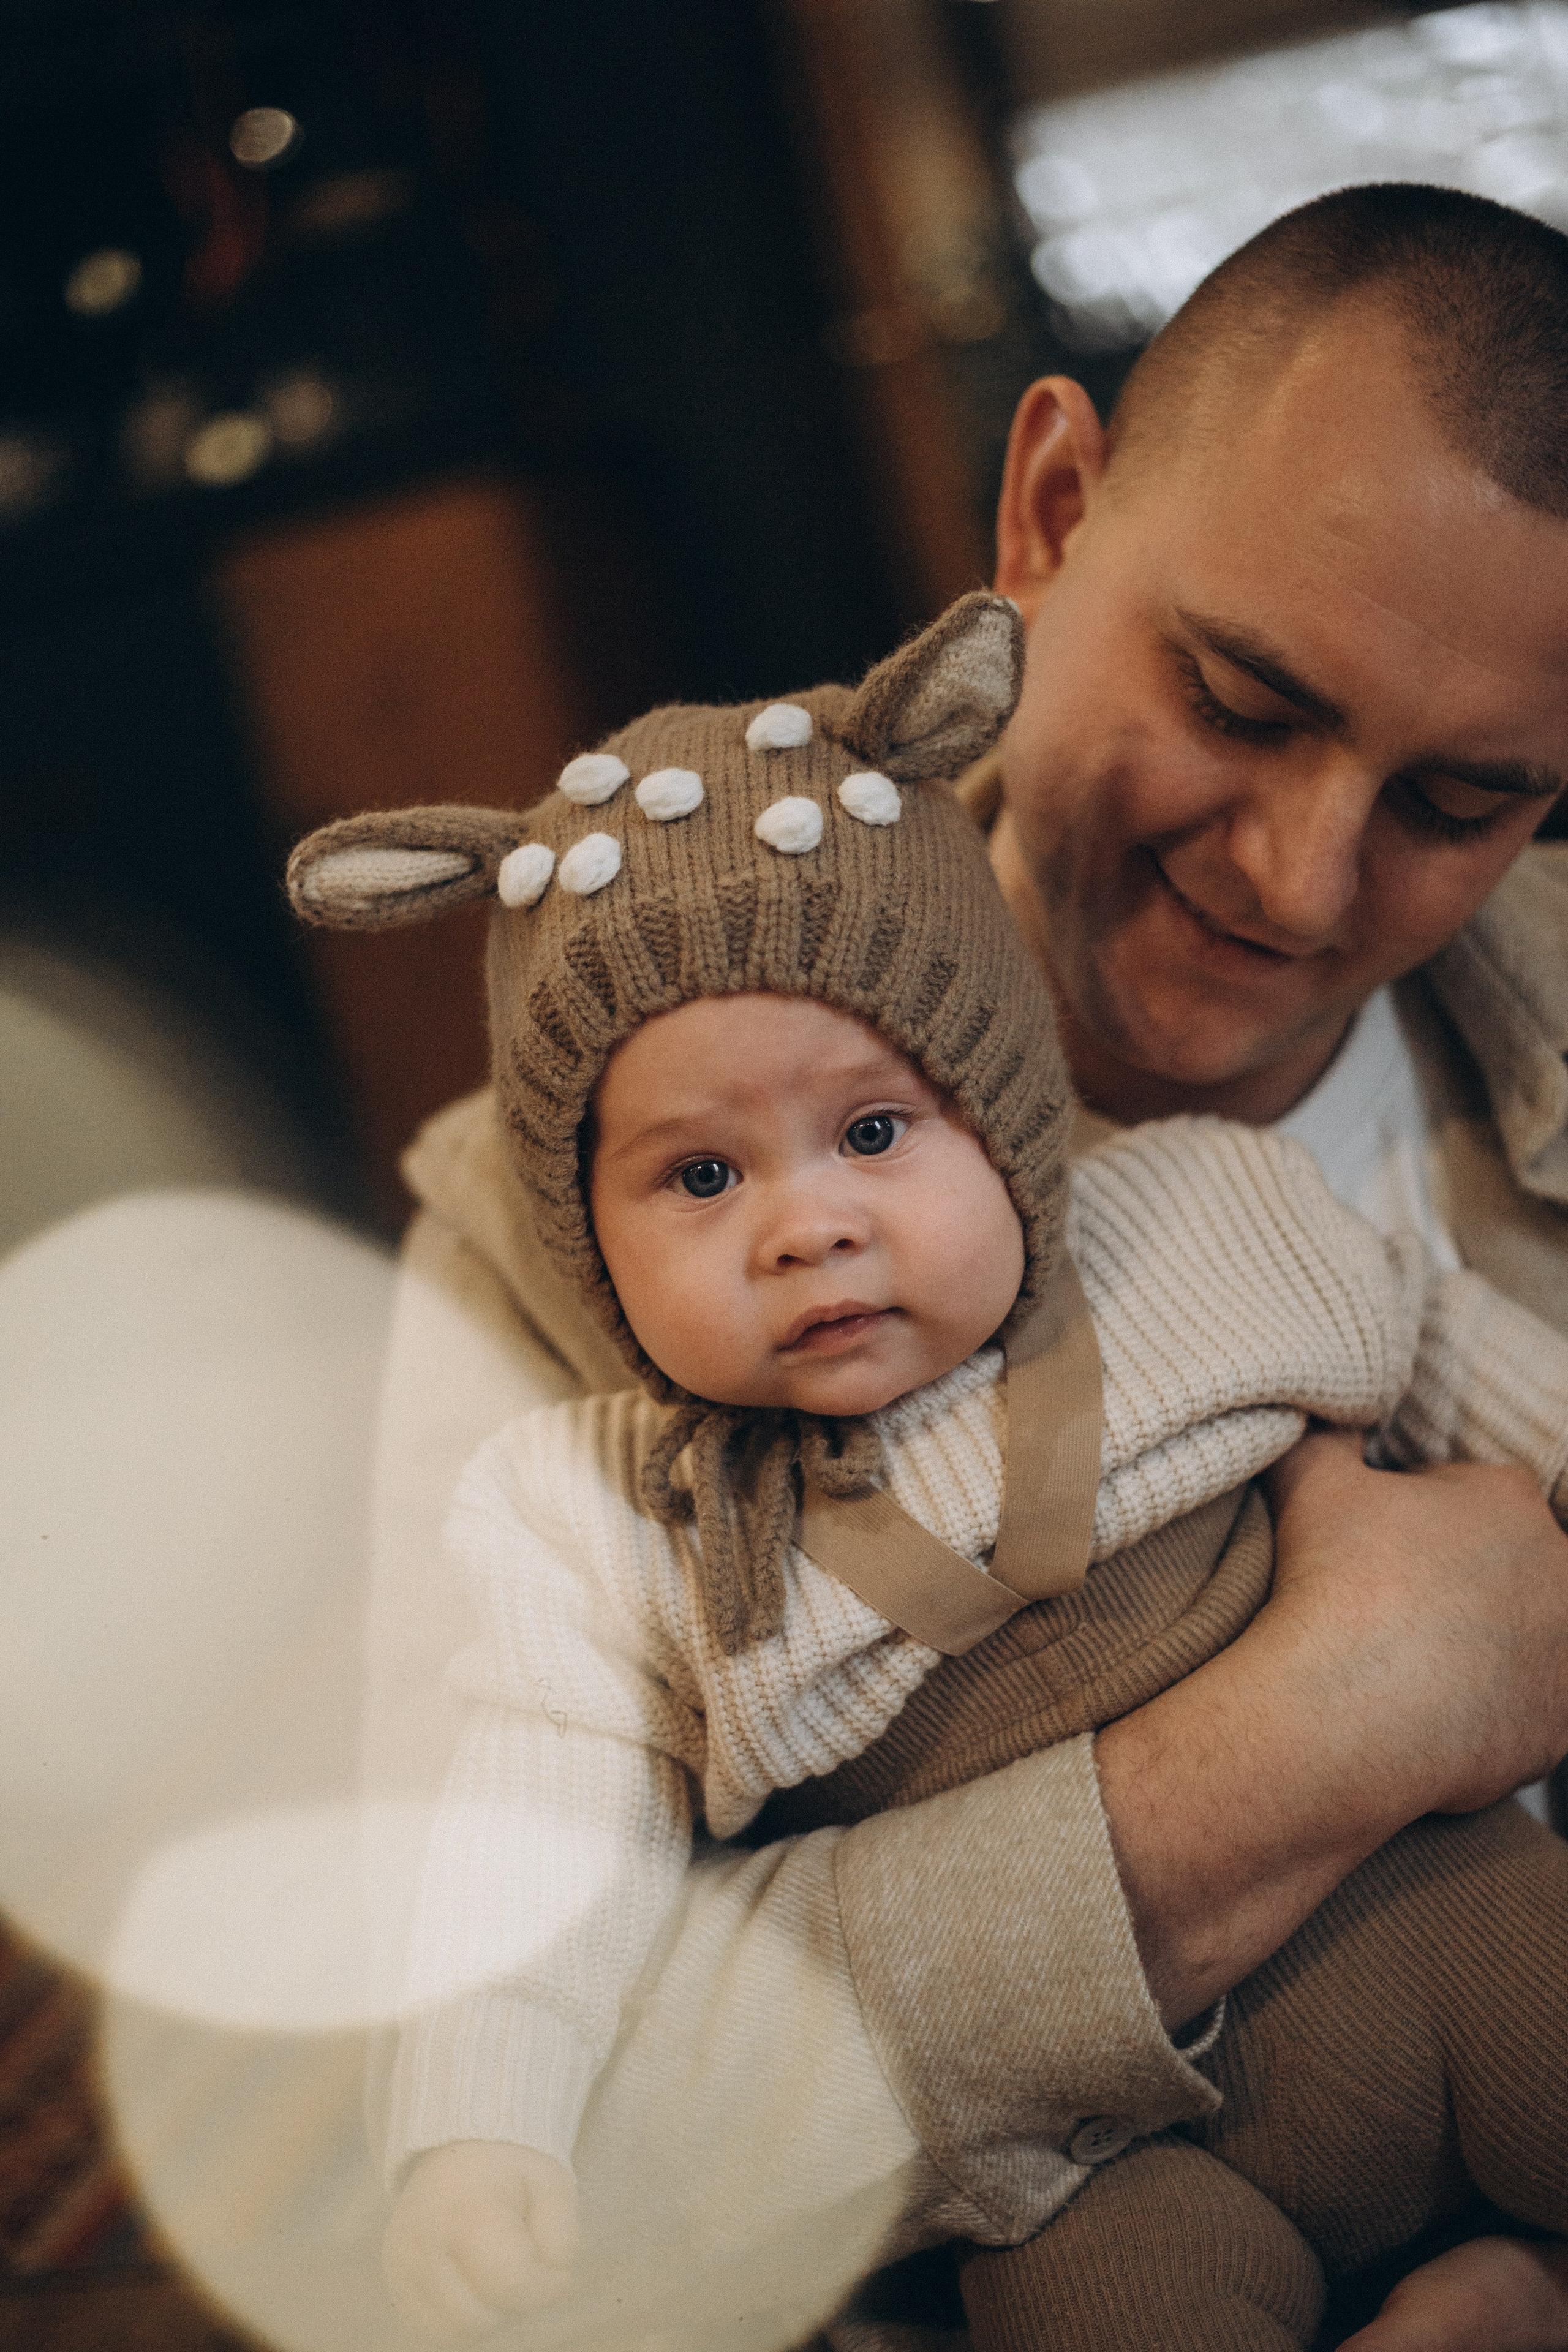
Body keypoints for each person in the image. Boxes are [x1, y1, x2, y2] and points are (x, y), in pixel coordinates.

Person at [355, 184, 1568, 2349]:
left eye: (1462, 803)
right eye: (1243, 695)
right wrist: (1325, 1735)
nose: (1300, 877)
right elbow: (562, 2170)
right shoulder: (520, 1244)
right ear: (1052, 510)